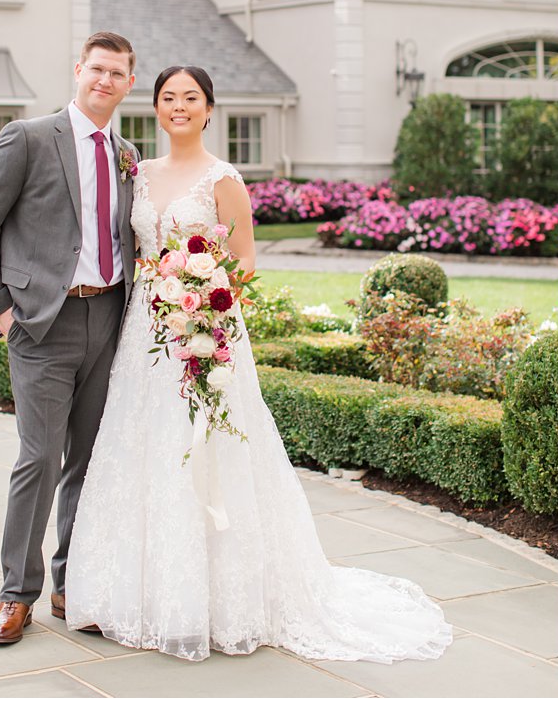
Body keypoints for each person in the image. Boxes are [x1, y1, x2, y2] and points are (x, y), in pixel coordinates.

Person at [63, 65, 452, 662]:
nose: (178, 107)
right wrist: (161, 300)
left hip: (205, 329)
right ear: (156, 108)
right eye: (168, 98)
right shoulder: (138, 173)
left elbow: (243, 261)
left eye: (190, 98)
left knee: (212, 449)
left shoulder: (224, 179)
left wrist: (203, 314)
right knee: (141, 447)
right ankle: (138, 591)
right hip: (143, 330)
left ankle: (223, 598)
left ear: (209, 108)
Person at [0, 31, 139, 645]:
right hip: (43, 323)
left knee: (88, 461)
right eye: (96, 70)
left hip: (109, 318)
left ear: (129, 84)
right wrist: (2, 312)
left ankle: (71, 583)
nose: (104, 81)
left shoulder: (128, 152)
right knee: (38, 459)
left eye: (117, 73)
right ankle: (17, 594)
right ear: (78, 71)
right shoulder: (30, 138)